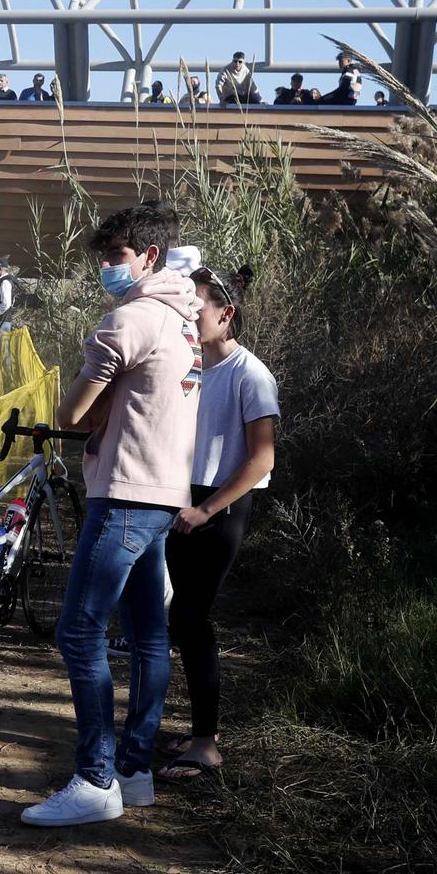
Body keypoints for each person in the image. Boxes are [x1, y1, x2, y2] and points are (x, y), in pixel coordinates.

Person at [23, 198, 201, 828]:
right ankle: (134, 769)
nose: (106, 266)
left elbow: (72, 413)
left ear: (149, 256)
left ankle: (96, 780)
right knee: (151, 636)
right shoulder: (184, 321)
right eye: (102, 256)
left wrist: (91, 406)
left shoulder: (128, 322)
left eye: (115, 255)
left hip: (123, 494)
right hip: (163, 493)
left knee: (78, 631)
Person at [158, 265, 275, 784]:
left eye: (196, 308)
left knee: (191, 619)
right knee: (181, 621)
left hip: (219, 508)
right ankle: (203, 733)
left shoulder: (251, 374)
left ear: (225, 314)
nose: (189, 317)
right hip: (185, 503)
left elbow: (261, 461)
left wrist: (206, 510)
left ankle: (206, 745)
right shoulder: (192, 367)